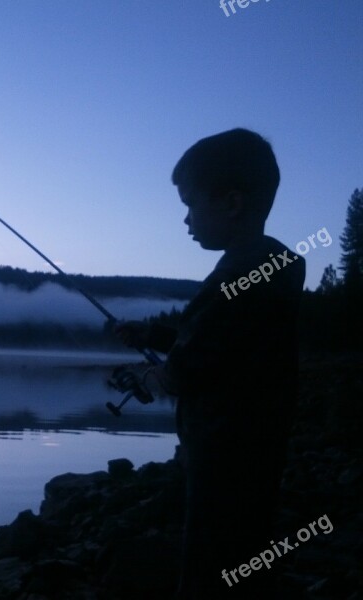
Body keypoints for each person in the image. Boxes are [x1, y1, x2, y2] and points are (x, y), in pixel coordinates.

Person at [116, 128, 305, 599]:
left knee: (208, 566)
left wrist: (154, 375)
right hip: (260, 446)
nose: (186, 219)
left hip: (222, 454)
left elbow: (186, 369)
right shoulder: (271, 267)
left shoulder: (232, 278)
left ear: (231, 202)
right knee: (248, 555)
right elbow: (219, 343)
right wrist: (152, 336)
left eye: (190, 203)